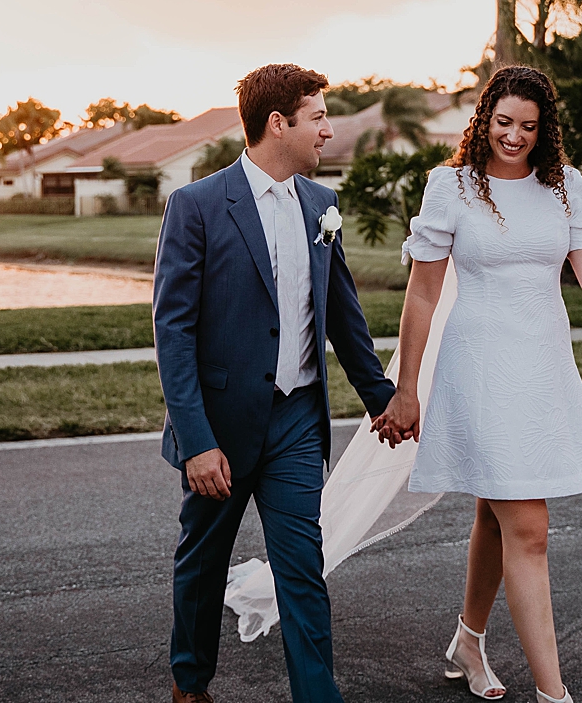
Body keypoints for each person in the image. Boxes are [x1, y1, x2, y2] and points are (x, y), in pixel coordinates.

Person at [372, 65, 582, 703]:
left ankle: (467, 641)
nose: (514, 136)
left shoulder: (565, 188)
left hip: (541, 369)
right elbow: (423, 295)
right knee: (529, 528)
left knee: (497, 511)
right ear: (485, 118)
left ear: (545, 132)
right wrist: (405, 387)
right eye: (504, 122)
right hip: (478, 368)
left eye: (528, 126)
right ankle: (554, 695)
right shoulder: (451, 187)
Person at [154, 63, 397, 703]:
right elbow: (173, 333)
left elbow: (343, 315)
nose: (328, 129)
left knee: (302, 571)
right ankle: (190, 684)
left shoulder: (322, 205)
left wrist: (384, 401)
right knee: (202, 563)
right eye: (317, 116)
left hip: (297, 421)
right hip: (221, 426)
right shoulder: (197, 206)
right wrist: (196, 439)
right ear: (277, 123)